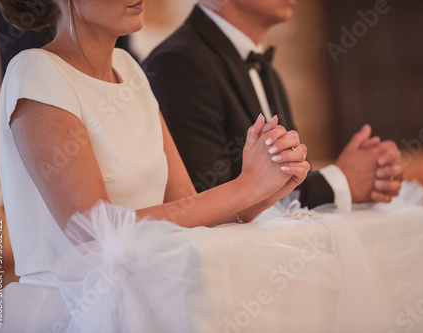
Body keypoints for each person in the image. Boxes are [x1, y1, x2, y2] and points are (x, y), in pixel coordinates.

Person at [0, 0, 309, 331]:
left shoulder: (129, 69)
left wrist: (264, 190)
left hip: (155, 298)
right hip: (74, 311)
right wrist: (246, 187)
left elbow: (185, 205)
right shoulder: (35, 71)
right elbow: (98, 233)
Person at [142, 1, 405, 211]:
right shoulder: (176, 63)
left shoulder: (266, 71)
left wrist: (365, 173)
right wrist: (340, 180)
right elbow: (206, 200)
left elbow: (282, 179)